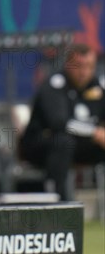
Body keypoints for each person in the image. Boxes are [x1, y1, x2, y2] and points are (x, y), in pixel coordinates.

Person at [20, 44, 105, 201]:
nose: (83, 72)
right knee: (63, 142)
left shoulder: (99, 86)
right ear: (68, 64)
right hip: (42, 145)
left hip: (80, 145)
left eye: (89, 66)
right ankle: (60, 204)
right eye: (78, 66)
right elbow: (60, 123)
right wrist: (95, 132)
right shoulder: (54, 85)